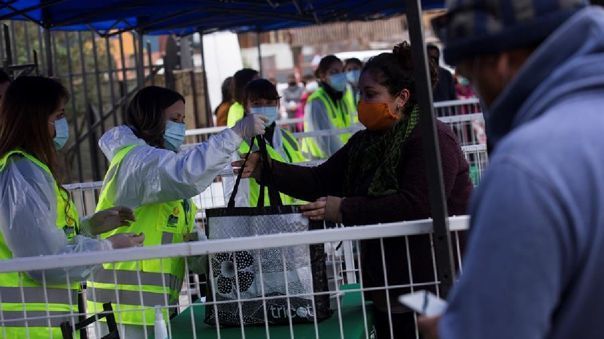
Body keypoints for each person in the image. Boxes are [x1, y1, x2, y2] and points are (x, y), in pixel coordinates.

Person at [235, 42, 472, 339]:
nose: (361, 102)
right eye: (360, 93)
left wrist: (344, 209)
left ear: (402, 98)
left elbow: (418, 204)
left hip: (437, 283)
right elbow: (320, 180)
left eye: (370, 94)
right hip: (389, 285)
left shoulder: (432, 139)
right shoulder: (366, 142)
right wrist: (267, 170)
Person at [420, 1, 603, 339]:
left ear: (500, 61)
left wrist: (450, 330)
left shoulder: (527, 168)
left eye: (472, 76)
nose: (478, 91)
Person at [86, 86, 266, 338]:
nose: (180, 127)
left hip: (152, 309)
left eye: (183, 120)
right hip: (122, 309)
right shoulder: (137, 162)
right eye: (174, 119)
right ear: (151, 119)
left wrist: (229, 263)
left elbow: (190, 240)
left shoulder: (161, 171)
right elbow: (186, 173)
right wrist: (234, 134)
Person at [0, 76, 143, 338]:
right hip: (27, 328)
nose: (62, 125)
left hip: (42, 324)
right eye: (58, 115)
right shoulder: (22, 171)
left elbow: (43, 235)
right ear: (36, 118)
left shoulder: (29, 168)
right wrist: (108, 248)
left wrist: (89, 226)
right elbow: (45, 260)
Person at [232, 78, 306, 207]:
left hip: (291, 215)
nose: (264, 108)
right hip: (257, 218)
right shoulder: (237, 140)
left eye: (269, 102)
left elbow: (301, 176)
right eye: (257, 104)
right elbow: (234, 189)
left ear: (277, 103)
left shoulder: (288, 138)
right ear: (246, 106)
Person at [302, 55, 357, 159]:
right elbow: (325, 140)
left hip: (340, 158)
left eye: (342, 71)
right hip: (319, 161)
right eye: (334, 72)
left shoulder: (343, 97)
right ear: (323, 76)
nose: (340, 75)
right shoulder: (317, 101)